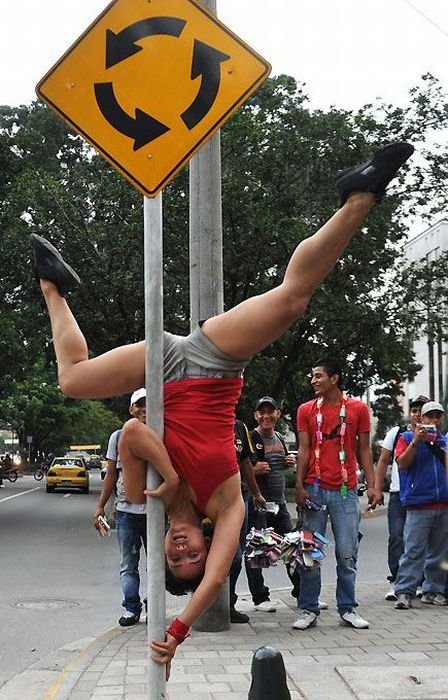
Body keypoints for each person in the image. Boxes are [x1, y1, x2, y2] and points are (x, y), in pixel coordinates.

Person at [29, 142, 413, 674]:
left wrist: (165, 475)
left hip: (161, 368)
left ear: (162, 546)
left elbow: (132, 435)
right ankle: (360, 196)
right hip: (214, 367)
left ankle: (53, 287)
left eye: (174, 557)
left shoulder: (145, 498)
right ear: (205, 547)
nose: (184, 550)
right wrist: (179, 630)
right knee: (293, 299)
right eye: (193, 556)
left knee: (71, 380)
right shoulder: (226, 507)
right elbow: (213, 582)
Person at [294, 357, 382, 630]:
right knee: (311, 553)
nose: (313, 381)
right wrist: (299, 485)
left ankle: (348, 608)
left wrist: (373, 485)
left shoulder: (358, 409)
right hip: (315, 490)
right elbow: (305, 449)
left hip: (345, 492)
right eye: (312, 376)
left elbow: (364, 450)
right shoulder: (305, 410)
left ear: (335, 378)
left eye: (318, 375)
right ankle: (308, 608)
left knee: (347, 553)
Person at [93, 388, 148, 627]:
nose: (144, 409)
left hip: (156, 513)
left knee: (159, 565)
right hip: (126, 512)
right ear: (131, 409)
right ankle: (131, 608)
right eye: (139, 405)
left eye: (148, 404)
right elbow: (111, 474)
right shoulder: (118, 437)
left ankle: (154, 606)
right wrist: (101, 506)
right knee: (129, 564)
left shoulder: (161, 433)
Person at [393, 401, 448, 610]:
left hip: (443, 503)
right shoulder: (406, 438)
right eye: (429, 416)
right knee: (413, 550)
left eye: (437, 416)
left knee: (440, 552)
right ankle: (404, 592)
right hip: (418, 504)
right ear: (421, 419)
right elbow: (402, 464)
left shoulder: (444, 440)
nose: (433, 420)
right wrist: (416, 441)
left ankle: (433, 590)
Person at [374, 394, 429, 601]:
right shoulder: (397, 433)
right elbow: (383, 462)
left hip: (423, 496)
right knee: (397, 536)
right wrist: (378, 489)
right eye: (414, 411)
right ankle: (396, 581)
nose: (417, 415)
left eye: (421, 411)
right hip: (398, 494)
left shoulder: (434, 435)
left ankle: (420, 582)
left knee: (420, 540)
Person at [244, 396, 296, 612]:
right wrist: (254, 471)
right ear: (256, 415)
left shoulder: (280, 438)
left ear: (278, 414)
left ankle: (301, 592)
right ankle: (259, 597)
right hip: (258, 504)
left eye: (270, 412)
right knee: (256, 552)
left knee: (292, 549)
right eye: (261, 412)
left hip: (280, 503)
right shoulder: (250, 438)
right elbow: (239, 468)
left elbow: (276, 467)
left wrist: (287, 463)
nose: (266, 416)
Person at [228, 419, 266, 623]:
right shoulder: (204, 421)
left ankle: (228, 603)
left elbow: (245, 462)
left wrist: (256, 493)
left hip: (238, 499)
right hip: (211, 501)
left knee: (237, 554)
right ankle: (207, 605)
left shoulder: (240, 428)